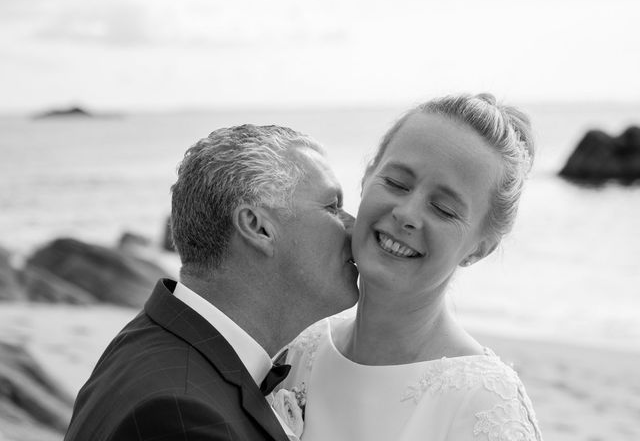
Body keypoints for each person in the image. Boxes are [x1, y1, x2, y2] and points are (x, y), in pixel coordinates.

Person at [64, 125, 359, 441]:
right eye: (332, 207)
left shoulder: (154, 342)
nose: (353, 227)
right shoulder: (182, 418)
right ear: (257, 227)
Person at [283, 94, 544, 440]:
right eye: (397, 183)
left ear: (480, 249)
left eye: (444, 209)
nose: (407, 214)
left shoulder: (484, 404)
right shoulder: (301, 350)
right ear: (366, 177)